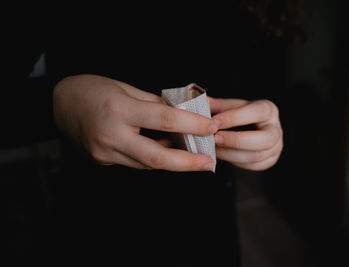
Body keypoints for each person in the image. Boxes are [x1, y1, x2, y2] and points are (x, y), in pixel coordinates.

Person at [3, 1, 288, 266]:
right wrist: (57, 105)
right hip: (101, 223)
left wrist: (268, 127)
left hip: (210, 222)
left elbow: (262, 82)